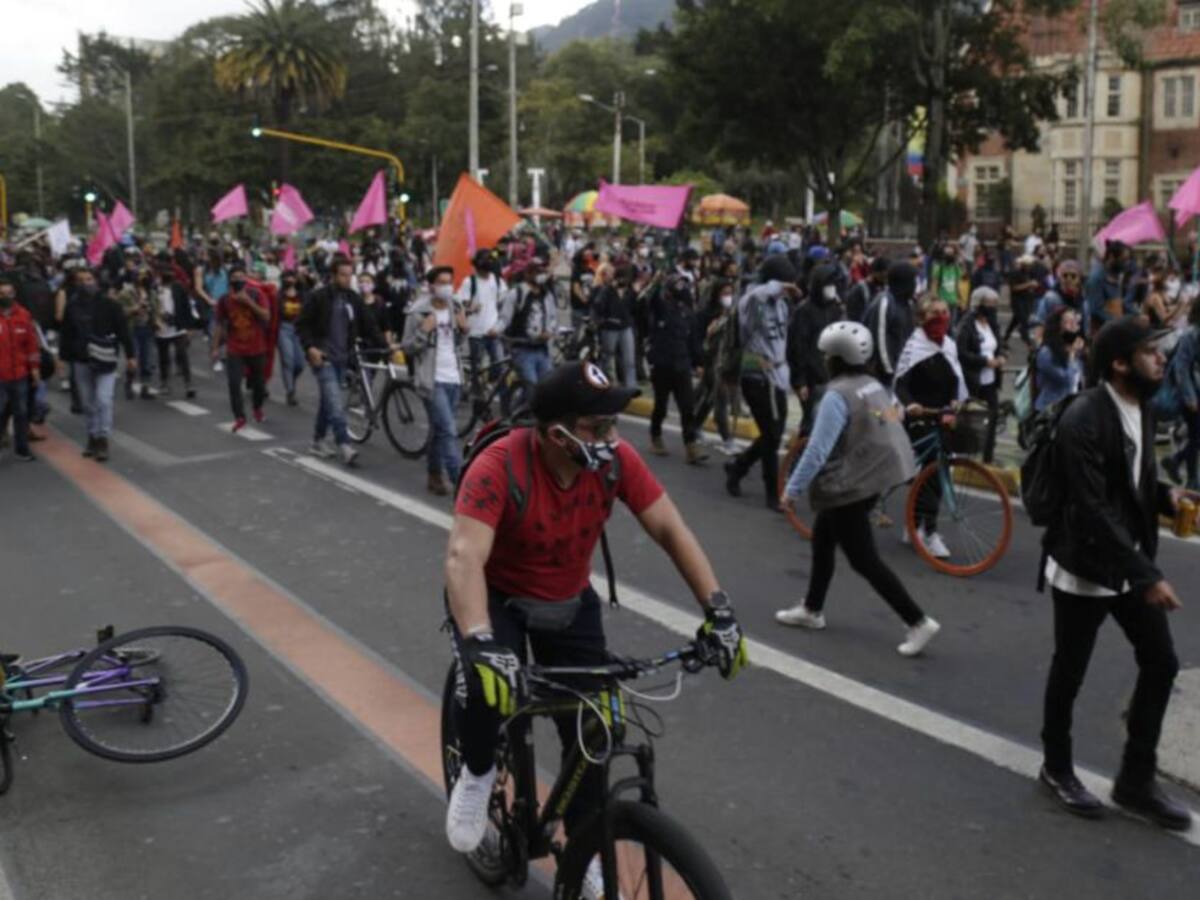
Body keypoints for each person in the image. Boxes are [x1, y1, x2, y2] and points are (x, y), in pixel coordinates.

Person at [442, 360, 747, 881]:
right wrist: (478, 640)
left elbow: (670, 529)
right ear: (556, 433)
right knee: (488, 689)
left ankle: (585, 851)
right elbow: (463, 557)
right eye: (597, 427)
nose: (611, 437)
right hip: (499, 597)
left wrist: (717, 611)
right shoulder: (500, 465)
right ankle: (475, 773)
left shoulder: (615, 461)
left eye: (613, 424)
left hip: (568, 598)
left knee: (596, 728)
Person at [1037, 317, 1190, 832]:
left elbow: (1134, 480)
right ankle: (1056, 766)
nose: (1161, 359)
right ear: (1120, 363)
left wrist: (1168, 496)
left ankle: (1135, 781)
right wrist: (1148, 575)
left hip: (1124, 563)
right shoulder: (1084, 416)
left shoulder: (1139, 408)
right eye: (1150, 352)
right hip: (1084, 564)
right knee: (1071, 670)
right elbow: (1092, 507)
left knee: (1161, 662)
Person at [776, 322, 940, 656]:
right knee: (823, 539)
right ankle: (812, 609)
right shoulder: (871, 385)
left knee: (864, 559)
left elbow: (817, 451)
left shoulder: (836, 396)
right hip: (874, 477)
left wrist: (791, 490)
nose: (823, 359)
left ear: (834, 359)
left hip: (849, 485)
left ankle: (918, 621)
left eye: (826, 354)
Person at [893, 295, 968, 559]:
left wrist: (956, 401)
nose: (941, 317)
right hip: (919, 415)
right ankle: (928, 530)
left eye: (945, 312)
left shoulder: (949, 345)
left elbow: (954, 379)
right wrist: (910, 404)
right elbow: (900, 383)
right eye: (934, 313)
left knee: (939, 472)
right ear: (922, 318)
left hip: (942, 415)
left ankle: (915, 525)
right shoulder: (914, 346)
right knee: (932, 474)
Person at [297, 257, 387, 465]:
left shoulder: (353, 299)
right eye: (343, 275)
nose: (347, 279)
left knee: (329, 401)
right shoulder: (319, 297)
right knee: (336, 403)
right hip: (323, 358)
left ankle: (318, 440)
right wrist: (310, 348)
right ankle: (344, 444)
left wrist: (385, 345)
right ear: (333, 275)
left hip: (342, 359)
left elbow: (369, 324)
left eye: (350, 274)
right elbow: (302, 325)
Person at [724, 255, 796, 511]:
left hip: (778, 374)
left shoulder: (782, 305)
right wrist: (777, 287)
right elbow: (755, 300)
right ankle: (771, 493)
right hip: (756, 375)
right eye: (784, 283)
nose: (788, 289)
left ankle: (738, 466)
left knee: (772, 435)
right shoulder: (752, 299)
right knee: (772, 435)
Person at [401, 266, 468, 496]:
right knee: (449, 430)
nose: (447, 287)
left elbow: (457, 343)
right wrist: (423, 331)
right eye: (442, 282)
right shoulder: (417, 312)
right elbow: (407, 347)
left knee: (441, 430)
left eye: (450, 281)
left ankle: (434, 475)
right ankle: (459, 481)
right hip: (432, 379)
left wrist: (464, 329)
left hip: (454, 377)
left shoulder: (455, 306)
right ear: (431, 286)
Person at [59, 269, 136, 462]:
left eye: (89, 279)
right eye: (81, 280)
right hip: (81, 359)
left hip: (105, 359)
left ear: (96, 280)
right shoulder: (72, 306)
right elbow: (66, 333)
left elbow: (123, 330)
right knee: (87, 402)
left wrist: (131, 355)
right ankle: (92, 436)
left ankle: (103, 438)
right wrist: (62, 357)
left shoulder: (111, 305)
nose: (86, 283)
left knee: (103, 399)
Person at [647, 272, 708, 463]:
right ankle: (656, 435)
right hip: (662, 365)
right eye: (679, 285)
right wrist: (655, 283)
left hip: (681, 365)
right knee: (661, 406)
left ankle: (691, 446)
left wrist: (699, 363)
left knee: (687, 407)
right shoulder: (661, 308)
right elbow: (650, 299)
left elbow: (694, 342)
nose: (683, 289)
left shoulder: (689, 314)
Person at [211, 265, 270, 433]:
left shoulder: (256, 295)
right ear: (230, 281)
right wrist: (215, 348)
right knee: (234, 383)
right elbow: (220, 325)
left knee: (259, 384)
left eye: (241, 277)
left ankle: (257, 408)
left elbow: (266, 316)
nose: (238, 280)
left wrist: (249, 302)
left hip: (257, 347)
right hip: (235, 348)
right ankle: (239, 417)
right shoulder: (224, 300)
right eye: (234, 277)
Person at [788, 263, 844, 429]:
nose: (832, 288)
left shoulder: (834, 309)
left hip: (831, 376)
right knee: (811, 423)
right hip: (812, 379)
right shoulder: (804, 312)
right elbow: (797, 348)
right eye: (828, 284)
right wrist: (800, 381)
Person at [955, 287, 1006, 463]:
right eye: (990, 304)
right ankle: (966, 456)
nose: (993, 307)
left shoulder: (992, 323)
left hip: (990, 381)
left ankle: (988, 457)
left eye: (995, 304)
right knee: (971, 420)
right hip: (973, 381)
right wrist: (984, 361)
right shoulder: (966, 325)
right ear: (979, 304)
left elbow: (1000, 345)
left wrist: (1001, 356)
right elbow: (961, 353)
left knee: (992, 416)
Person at [694, 277, 738, 455]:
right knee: (720, 398)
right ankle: (727, 439)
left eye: (730, 293)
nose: (728, 297)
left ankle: (694, 425)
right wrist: (698, 362)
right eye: (724, 293)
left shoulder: (732, 314)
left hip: (725, 362)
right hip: (711, 362)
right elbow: (699, 339)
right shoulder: (707, 314)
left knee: (709, 397)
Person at [1160, 301, 1200, 489]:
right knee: (1195, 435)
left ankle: (1175, 461)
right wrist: (1190, 397)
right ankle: (1193, 480)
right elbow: (1181, 368)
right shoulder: (1191, 335)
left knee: (1196, 437)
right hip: (1191, 395)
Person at [499, 258, 557, 387]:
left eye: (542, 272)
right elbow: (504, 318)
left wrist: (550, 331)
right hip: (522, 349)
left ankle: (520, 406)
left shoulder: (547, 295)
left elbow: (553, 318)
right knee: (531, 388)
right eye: (537, 272)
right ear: (527, 274)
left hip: (543, 350)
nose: (541, 275)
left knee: (546, 388)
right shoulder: (516, 294)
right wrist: (495, 330)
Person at [0, 276, 40, 462]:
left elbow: (32, 345)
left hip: (20, 374)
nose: (6, 296)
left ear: (15, 294)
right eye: (2, 293)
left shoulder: (24, 315)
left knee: (21, 412)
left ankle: (22, 448)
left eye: (9, 293)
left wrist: (34, 368)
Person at [863, 261, 918, 383]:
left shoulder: (907, 303)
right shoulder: (885, 302)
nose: (915, 285)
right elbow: (880, 341)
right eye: (912, 281)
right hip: (884, 376)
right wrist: (890, 371)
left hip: (902, 372)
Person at [459, 249, 506, 380]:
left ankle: (492, 386)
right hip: (476, 332)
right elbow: (461, 305)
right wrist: (469, 308)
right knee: (477, 367)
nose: (484, 273)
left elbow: (503, 302)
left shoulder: (497, 281)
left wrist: (500, 325)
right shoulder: (469, 282)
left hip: (493, 330)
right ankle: (476, 391)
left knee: (499, 365)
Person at [591, 262, 637, 388]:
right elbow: (598, 305)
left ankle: (631, 387)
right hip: (610, 327)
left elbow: (634, 307)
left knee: (629, 360)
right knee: (607, 357)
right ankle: (604, 383)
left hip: (625, 326)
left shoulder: (630, 291)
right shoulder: (607, 290)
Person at [154, 264, 196, 399]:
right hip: (161, 328)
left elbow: (186, 307)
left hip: (178, 328)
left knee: (182, 355)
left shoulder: (178, 288)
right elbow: (151, 307)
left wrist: (189, 327)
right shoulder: (155, 289)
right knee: (163, 357)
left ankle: (189, 384)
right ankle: (164, 382)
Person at [1034, 306, 1085, 412]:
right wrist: (1072, 354)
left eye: (1076, 321)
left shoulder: (1077, 350)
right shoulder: (1046, 353)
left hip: (1073, 408)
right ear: (1058, 326)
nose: (1074, 325)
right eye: (1069, 321)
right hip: (1052, 410)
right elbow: (1067, 381)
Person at [276, 271, 306, 406]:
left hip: (299, 330)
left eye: (292, 277)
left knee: (299, 364)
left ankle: (291, 381)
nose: (290, 280)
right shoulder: (279, 295)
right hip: (284, 328)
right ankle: (290, 391)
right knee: (288, 360)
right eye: (287, 277)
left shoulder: (302, 294)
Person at [846, 256, 888, 323]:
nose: (886, 278)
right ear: (875, 272)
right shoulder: (860, 289)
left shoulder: (885, 287)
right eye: (884, 275)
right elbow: (853, 315)